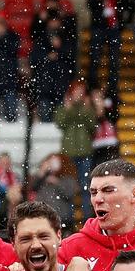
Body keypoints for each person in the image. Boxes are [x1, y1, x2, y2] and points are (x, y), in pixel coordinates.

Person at [54, 82, 96, 219]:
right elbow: (60, 123)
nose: (79, 94)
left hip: (84, 152)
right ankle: (68, 218)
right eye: (77, 91)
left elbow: (92, 125)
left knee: (85, 188)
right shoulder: (65, 106)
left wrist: (85, 108)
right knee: (69, 188)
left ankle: (86, 218)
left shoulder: (87, 107)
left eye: (81, 91)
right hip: (69, 153)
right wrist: (68, 108)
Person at [85, 0, 125, 98]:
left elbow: (126, 5)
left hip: (114, 27)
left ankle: (112, 89)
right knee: (95, 57)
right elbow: (90, 4)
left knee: (114, 60)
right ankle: (92, 87)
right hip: (99, 26)